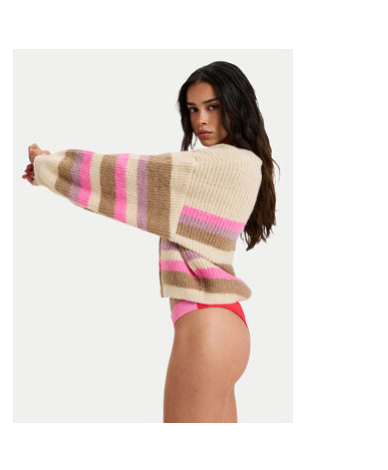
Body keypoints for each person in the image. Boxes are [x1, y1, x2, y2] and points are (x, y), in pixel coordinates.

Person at [22, 61, 278, 423]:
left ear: (237, 105)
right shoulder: (247, 164)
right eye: (193, 109)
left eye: (212, 107)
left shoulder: (210, 166)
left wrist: (49, 166)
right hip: (227, 324)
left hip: (206, 326)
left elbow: (126, 175)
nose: (201, 120)